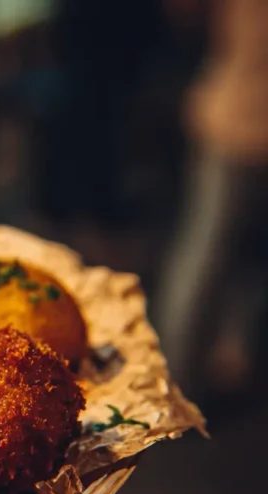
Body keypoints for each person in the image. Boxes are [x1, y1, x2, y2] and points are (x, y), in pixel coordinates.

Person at [156, 0, 268, 404]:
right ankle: (202, 366)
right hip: (237, 114)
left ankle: (181, 377)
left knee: (207, 250)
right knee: (229, 252)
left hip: (237, 116)